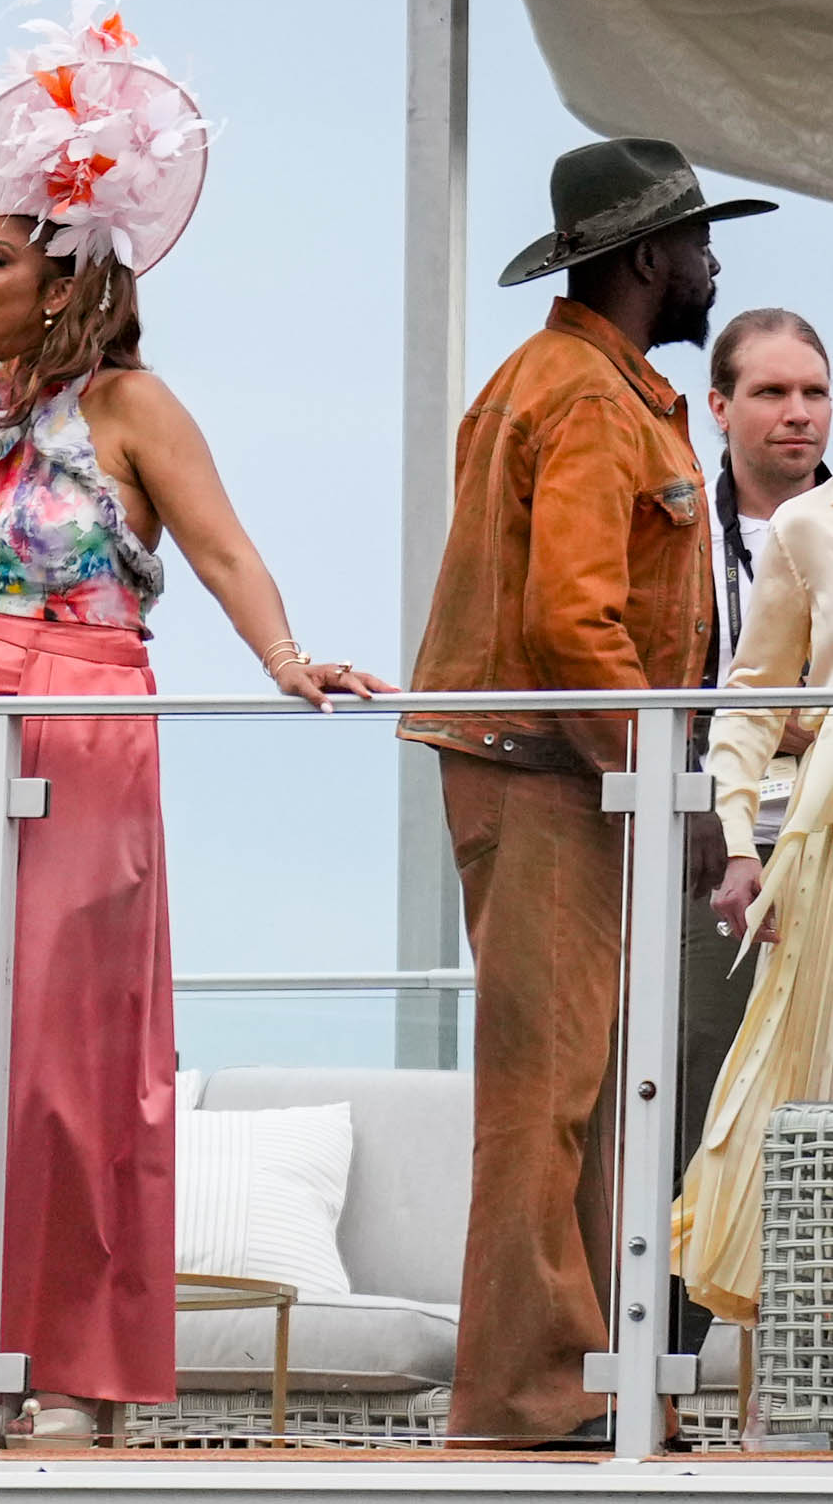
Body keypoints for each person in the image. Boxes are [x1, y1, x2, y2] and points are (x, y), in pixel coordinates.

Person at [0, 0, 380, 1447]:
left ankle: (79, 1371)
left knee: (67, 1055)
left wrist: (287, 657)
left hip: (79, 725)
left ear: (61, 279)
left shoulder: (129, 403)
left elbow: (219, 550)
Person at [401, 137, 773, 1445]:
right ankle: (522, 1398)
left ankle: (572, 1383)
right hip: (542, 773)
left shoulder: (580, 384)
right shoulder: (581, 399)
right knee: (545, 1097)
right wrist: (663, 785)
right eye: (693, 240)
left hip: (548, 768)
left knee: (581, 1093)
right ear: (643, 259)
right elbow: (571, 624)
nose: (711, 261)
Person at [673, 310, 833, 1329]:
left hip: (802, 808)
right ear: (720, 406)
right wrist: (734, 839)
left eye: (813, 392)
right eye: (773, 392)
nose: (798, 414)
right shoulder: (796, 528)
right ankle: (680, 1371)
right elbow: (746, 696)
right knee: (726, 1091)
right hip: (751, 841)